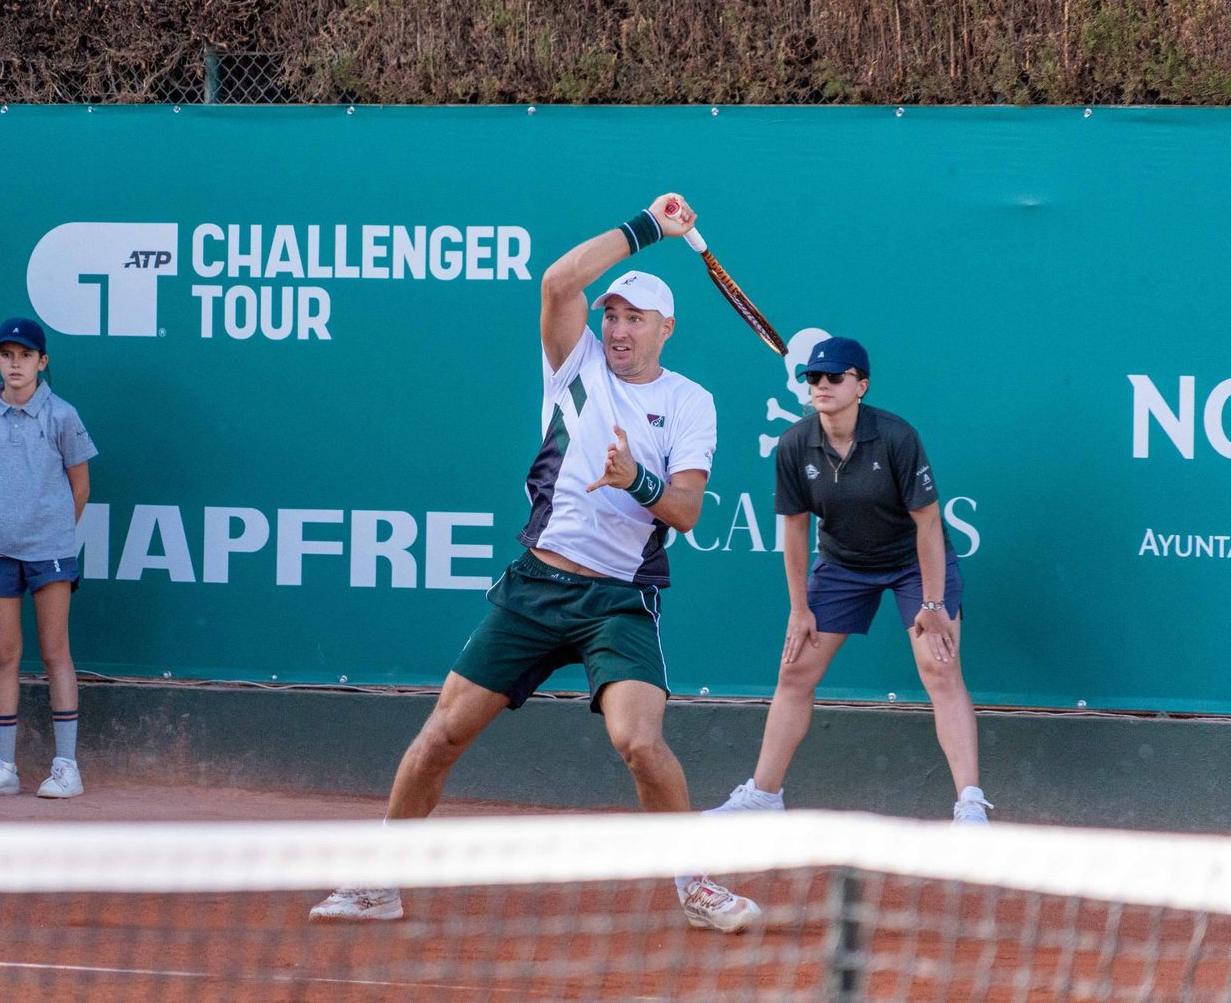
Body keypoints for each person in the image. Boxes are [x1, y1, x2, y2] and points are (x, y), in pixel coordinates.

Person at [310, 195, 759, 932]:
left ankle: (696, 885)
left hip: (618, 599)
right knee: (441, 736)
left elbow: (684, 510)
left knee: (639, 743)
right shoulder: (572, 363)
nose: (615, 328)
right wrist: (648, 228)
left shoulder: (690, 403)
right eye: (610, 314)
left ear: (665, 330)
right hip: (535, 586)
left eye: (633, 318)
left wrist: (634, 481)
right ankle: (378, 882)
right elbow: (557, 283)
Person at [710, 336, 992, 824]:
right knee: (794, 670)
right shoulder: (795, 444)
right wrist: (800, 609)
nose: (822, 384)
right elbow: (795, 530)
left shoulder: (896, 436)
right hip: (843, 564)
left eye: (835, 377)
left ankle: (970, 805)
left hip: (913, 562)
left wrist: (932, 602)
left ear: (860, 385)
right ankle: (763, 795)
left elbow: (928, 521)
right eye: (814, 378)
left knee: (941, 669)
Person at [0, 317, 97, 799]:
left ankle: (66, 767)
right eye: (7, 355)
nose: (16, 364)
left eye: (26, 356)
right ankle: (4, 767)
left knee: (56, 651)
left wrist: (50, 530)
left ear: (43, 362)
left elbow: (80, 485)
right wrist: (7, 523)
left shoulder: (63, 416)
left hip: (51, 552)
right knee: (4, 655)